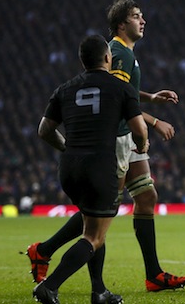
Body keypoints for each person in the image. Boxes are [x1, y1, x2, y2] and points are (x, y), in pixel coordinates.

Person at [26, 0, 185, 294]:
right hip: (116, 138)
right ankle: (47, 252)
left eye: (142, 16)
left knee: (146, 195)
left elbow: (124, 91)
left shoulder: (125, 53)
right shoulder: (117, 51)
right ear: (121, 25)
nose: (143, 21)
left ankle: (153, 274)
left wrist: (151, 98)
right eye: (136, 16)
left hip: (127, 137)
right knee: (101, 212)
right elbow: (114, 98)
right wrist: (154, 122)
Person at [32, 35, 150, 304]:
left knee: (93, 225)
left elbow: (44, 130)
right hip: (100, 167)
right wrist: (142, 146)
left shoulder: (65, 88)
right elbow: (139, 129)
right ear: (108, 58)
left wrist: (65, 148)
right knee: (94, 236)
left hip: (70, 168)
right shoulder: (121, 87)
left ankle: (99, 292)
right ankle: (49, 287)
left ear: (82, 61)